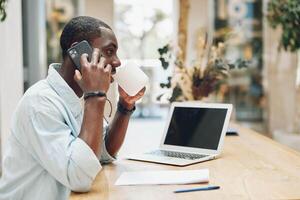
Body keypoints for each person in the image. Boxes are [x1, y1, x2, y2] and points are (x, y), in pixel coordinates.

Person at [0, 16, 145, 200]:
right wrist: (96, 95)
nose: (117, 62)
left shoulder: (77, 97)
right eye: (109, 51)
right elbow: (79, 177)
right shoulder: (40, 102)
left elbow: (103, 151)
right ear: (78, 51)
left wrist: (125, 105)